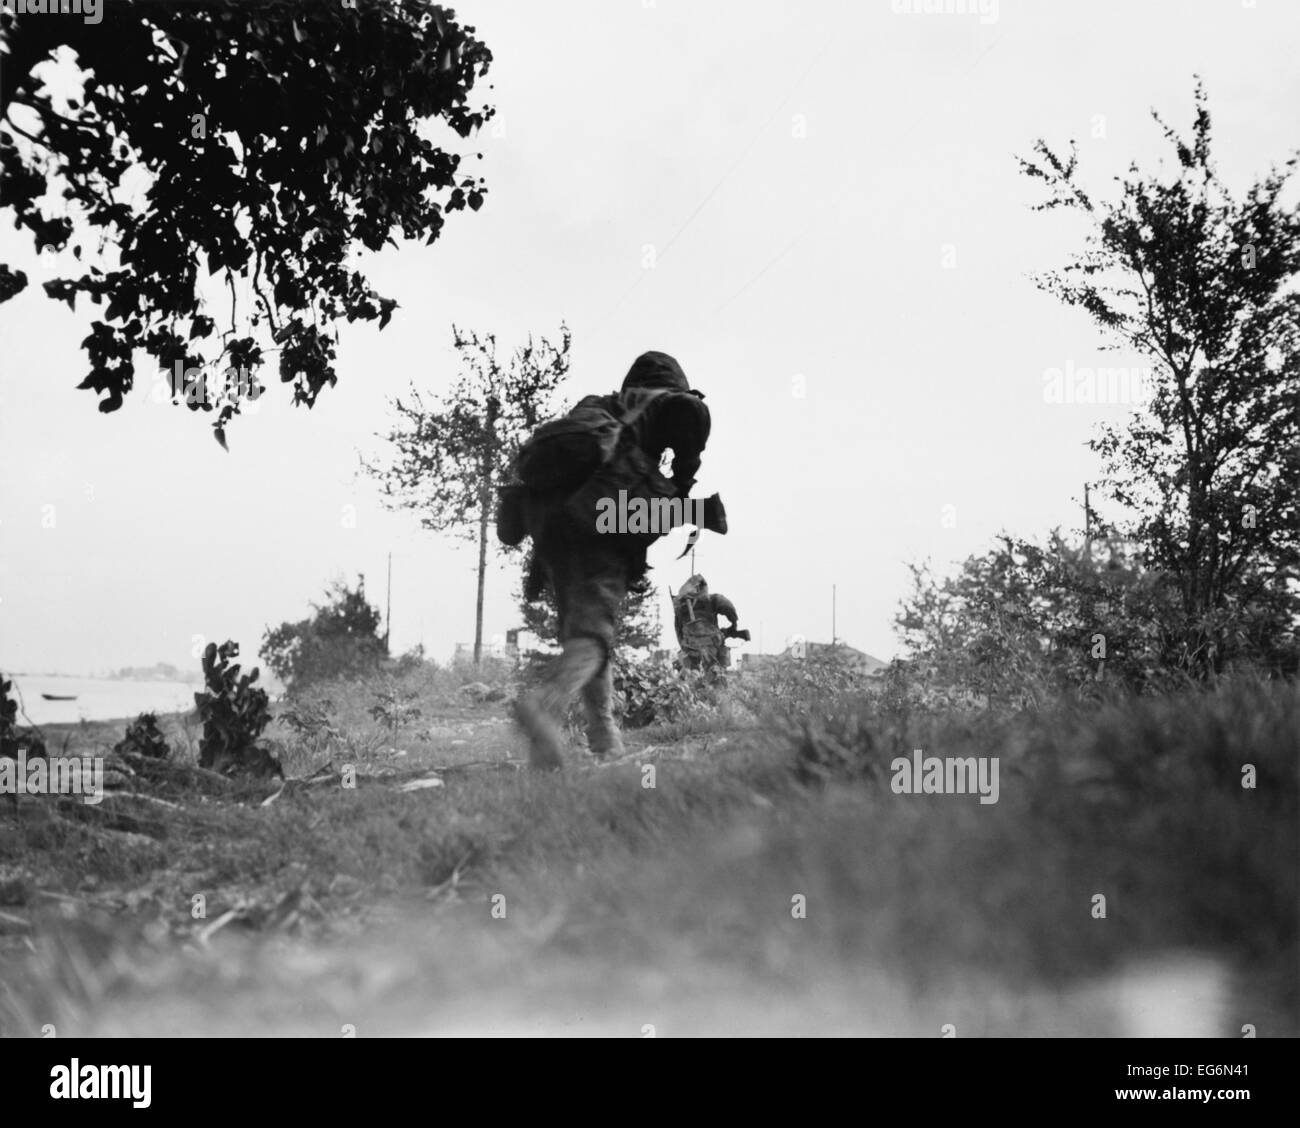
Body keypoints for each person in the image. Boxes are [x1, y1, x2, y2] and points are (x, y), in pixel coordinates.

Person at [506, 351, 724, 769]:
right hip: (598, 521)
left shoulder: (594, 407)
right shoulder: (670, 403)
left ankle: (604, 742)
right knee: (593, 636)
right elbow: (691, 424)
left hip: (552, 525)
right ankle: (544, 704)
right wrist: (682, 485)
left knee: (589, 633)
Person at [673, 574, 748, 670]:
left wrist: (684, 645)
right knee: (716, 675)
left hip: (690, 650)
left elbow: (678, 631)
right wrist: (734, 624)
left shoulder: (680, 607)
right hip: (712, 648)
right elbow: (728, 607)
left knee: (693, 677)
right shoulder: (712, 599)